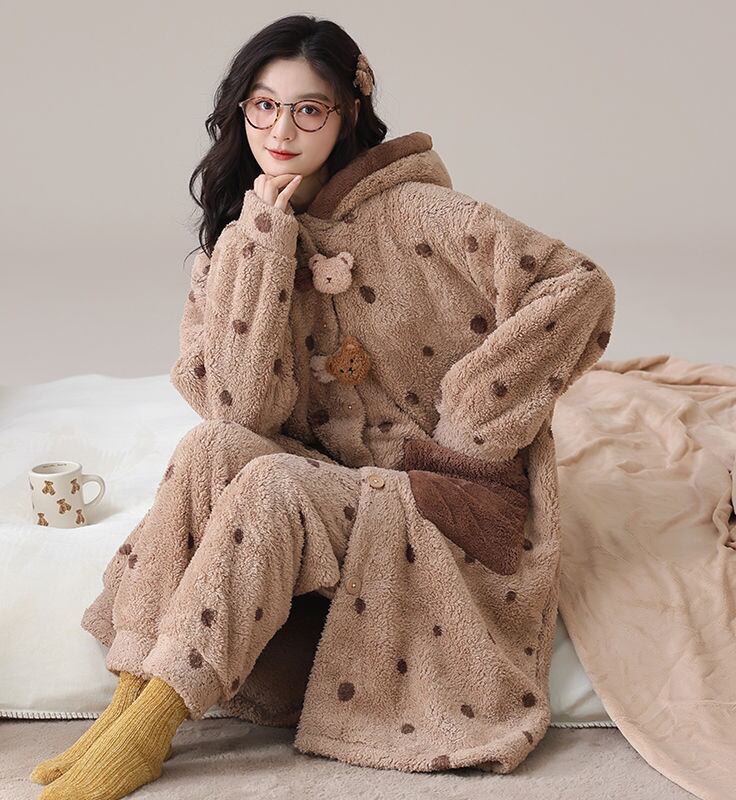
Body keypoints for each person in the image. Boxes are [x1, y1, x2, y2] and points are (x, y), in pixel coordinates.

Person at [31, 13, 615, 800]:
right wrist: (264, 243)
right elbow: (239, 412)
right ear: (241, 111)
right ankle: (128, 707)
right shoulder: (244, 239)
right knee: (211, 450)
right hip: (342, 495)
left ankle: (150, 731)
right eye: (264, 106)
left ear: (347, 113)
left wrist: (472, 424)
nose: (281, 129)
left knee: (274, 485)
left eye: (308, 109)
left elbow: (579, 285)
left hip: (444, 502)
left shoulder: (422, 213)